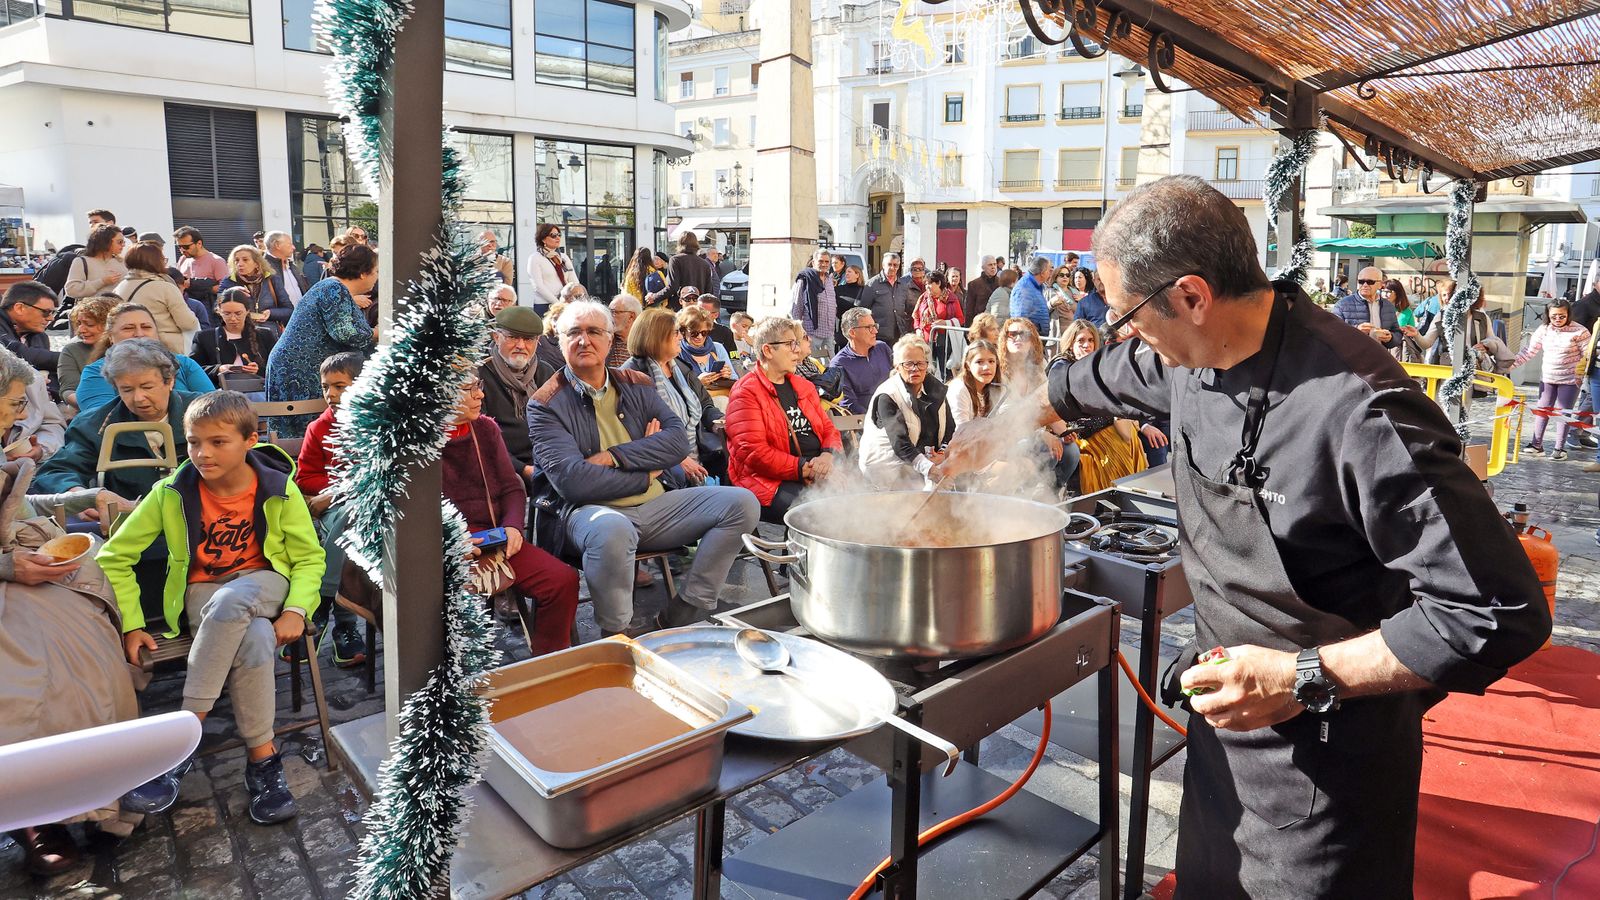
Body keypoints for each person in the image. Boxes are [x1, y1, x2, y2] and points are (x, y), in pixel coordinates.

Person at [939, 174, 1549, 897]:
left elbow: (1496, 610)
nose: (1126, 333)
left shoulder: (1361, 411)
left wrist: (1300, 677)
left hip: (1331, 763)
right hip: (1224, 738)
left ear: (1193, 296)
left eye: (1128, 314)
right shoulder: (1186, 358)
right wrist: (994, 429)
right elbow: (1082, 382)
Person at [101, 391, 323, 826]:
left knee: (234, 599)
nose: (203, 453)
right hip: (204, 594)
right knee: (254, 635)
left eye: (218, 442)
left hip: (265, 583)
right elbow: (114, 556)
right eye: (193, 442)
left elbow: (309, 558)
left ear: (250, 440)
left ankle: (181, 741)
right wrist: (132, 623)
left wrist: (297, 609)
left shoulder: (278, 489)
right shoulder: (171, 492)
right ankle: (263, 761)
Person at [527, 301, 760, 636]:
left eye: (594, 332)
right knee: (613, 530)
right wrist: (647, 470)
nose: (584, 340)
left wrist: (613, 457)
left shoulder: (636, 383)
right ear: (560, 341)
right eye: (573, 332)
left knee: (742, 503)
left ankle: (687, 606)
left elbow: (677, 443)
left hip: (656, 506)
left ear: (610, 339)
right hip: (589, 513)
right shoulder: (546, 403)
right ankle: (615, 634)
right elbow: (573, 483)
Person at [0, 352, 141, 875]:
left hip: (28, 564)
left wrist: (85, 495)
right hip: (11, 579)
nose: (21, 415)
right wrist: (8, 566)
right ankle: (33, 813)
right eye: (15, 403)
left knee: (92, 643)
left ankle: (100, 791)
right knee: (31, 667)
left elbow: (18, 505)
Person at [446, 375, 581, 655]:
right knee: (446, 606)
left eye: (478, 385)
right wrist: (449, 541)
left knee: (562, 580)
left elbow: (512, 487)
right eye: (468, 389)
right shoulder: (412, 444)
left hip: (494, 536)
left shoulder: (485, 429)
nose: (480, 395)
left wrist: (513, 527)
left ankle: (549, 663)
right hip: (445, 547)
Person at [36, 339, 201, 500]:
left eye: (147, 387)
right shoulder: (94, 425)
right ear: (116, 387)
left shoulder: (204, 412)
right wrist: (82, 496)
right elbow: (56, 472)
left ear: (170, 381)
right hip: (126, 515)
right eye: (127, 389)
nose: (138, 398)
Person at [292, 352, 368, 666]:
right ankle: (346, 627)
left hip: (369, 508)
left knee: (352, 519)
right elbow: (305, 477)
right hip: (334, 512)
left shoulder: (377, 424)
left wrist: (339, 488)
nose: (330, 394)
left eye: (340, 386)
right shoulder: (319, 428)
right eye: (326, 387)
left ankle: (322, 602)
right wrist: (335, 491)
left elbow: (380, 473)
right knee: (347, 523)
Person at [725, 316, 843, 519]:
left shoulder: (803, 386)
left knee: (859, 503)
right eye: (790, 344)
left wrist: (827, 456)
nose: (797, 350)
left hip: (815, 470)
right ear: (768, 350)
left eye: (797, 343)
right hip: (767, 481)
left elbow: (828, 429)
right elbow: (754, 452)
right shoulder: (746, 392)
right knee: (821, 514)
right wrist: (805, 469)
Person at [265, 244, 378, 437]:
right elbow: (344, 333)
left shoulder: (332, 287)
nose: (377, 277)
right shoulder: (334, 288)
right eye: (375, 271)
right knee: (303, 436)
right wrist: (375, 333)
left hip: (297, 366)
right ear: (363, 273)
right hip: (299, 370)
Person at [623, 308, 726, 486]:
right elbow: (637, 431)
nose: (681, 337)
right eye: (676, 332)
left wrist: (718, 422)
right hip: (664, 470)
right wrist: (678, 459)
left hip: (699, 456)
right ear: (656, 336)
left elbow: (705, 405)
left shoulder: (681, 368)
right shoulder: (631, 377)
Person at [1054, 320, 1150, 493]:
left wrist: (1142, 425)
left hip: (1111, 426)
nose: (1087, 345)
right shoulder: (1062, 369)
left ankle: (1131, 498)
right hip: (1085, 435)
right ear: (1070, 344)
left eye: (1091, 340)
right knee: (1116, 451)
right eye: (1081, 341)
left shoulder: (1098, 365)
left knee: (1132, 441)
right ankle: (1114, 499)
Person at [74, 303, 216, 411]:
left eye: (146, 327)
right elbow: (101, 418)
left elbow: (212, 407)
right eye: (128, 328)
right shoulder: (97, 372)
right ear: (110, 336)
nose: (139, 334)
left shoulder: (184, 364)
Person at [858, 335, 955, 490]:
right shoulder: (887, 395)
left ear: (927, 365)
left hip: (920, 465)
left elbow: (950, 428)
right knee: (916, 499)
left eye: (920, 363)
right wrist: (930, 470)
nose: (915, 369)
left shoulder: (937, 390)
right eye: (908, 364)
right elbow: (900, 443)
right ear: (897, 367)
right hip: (887, 469)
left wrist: (942, 453)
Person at [1512, 298, 1590, 460]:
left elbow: (1586, 356)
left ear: (1568, 314)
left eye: (1562, 316)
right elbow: (1529, 351)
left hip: (1570, 380)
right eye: (1554, 316)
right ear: (1548, 315)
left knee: (1564, 412)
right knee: (1542, 410)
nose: (1558, 319)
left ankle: (1559, 449)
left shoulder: (1580, 331)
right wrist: (1509, 365)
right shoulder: (1544, 329)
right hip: (1548, 378)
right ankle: (1536, 445)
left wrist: (1581, 376)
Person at [116, 242, 200, 354]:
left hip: (129, 347)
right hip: (166, 349)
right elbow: (188, 323)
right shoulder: (165, 287)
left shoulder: (120, 287)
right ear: (156, 262)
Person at [192, 288, 278, 393]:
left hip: (259, 392)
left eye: (238, 313)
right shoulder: (204, 337)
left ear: (247, 311)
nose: (233, 318)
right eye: (227, 313)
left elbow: (278, 368)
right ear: (219, 311)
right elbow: (193, 370)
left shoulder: (264, 335)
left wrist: (258, 370)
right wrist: (218, 369)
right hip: (221, 394)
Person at [830, 307, 893, 414]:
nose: (875, 331)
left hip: (894, 410)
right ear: (852, 333)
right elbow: (849, 404)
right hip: (865, 418)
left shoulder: (882, 348)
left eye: (875, 326)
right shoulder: (838, 364)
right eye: (869, 327)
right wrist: (873, 419)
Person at [220, 245, 292, 338]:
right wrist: (230, 293)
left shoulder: (272, 279)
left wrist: (271, 313)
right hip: (240, 335)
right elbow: (217, 308)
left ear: (257, 263)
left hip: (270, 335)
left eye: (245, 260)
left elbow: (289, 310)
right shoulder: (229, 281)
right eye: (236, 260)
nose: (240, 264)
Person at [59, 295, 114, 408]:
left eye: (89, 324)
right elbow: (68, 390)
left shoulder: (125, 349)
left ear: (109, 325)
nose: (81, 330)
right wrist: (92, 404)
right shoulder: (72, 350)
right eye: (79, 323)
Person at [0, 281, 61, 376]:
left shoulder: (40, 336)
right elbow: (13, 353)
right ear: (19, 308)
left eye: (53, 313)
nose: (51, 318)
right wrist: (71, 358)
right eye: (46, 312)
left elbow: (46, 368)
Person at [1333, 266, 1400, 349]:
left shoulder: (1388, 306)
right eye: (1361, 282)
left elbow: (1397, 332)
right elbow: (1332, 334)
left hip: (1380, 354)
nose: (1365, 285)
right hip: (1352, 355)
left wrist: (1391, 338)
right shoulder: (1342, 305)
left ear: (1380, 284)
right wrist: (1356, 331)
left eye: (1370, 282)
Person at [912, 270, 965, 375]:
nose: (927, 287)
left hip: (944, 341)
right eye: (925, 284)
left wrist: (945, 323)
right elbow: (916, 317)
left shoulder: (951, 298)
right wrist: (917, 329)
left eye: (929, 284)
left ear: (939, 283)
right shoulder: (924, 298)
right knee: (927, 370)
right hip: (926, 340)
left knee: (945, 372)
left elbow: (961, 319)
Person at [63, 223, 128, 301]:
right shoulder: (81, 262)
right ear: (105, 242)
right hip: (91, 308)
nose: (123, 245)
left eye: (124, 242)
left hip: (120, 307)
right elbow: (71, 290)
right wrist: (102, 282)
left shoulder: (122, 262)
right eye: (120, 242)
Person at [792, 249, 838, 356]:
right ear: (813, 262)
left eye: (827, 262)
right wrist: (799, 333)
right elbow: (797, 308)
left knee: (831, 364)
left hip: (829, 333)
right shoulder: (804, 280)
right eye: (821, 261)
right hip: (811, 334)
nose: (824, 264)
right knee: (811, 363)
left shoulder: (829, 280)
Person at [676, 305, 735, 387]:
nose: (699, 337)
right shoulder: (677, 351)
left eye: (704, 333)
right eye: (694, 333)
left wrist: (728, 375)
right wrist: (697, 383)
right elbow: (674, 388)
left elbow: (735, 380)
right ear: (683, 331)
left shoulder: (718, 348)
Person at [950, 339, 1004, 426]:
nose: (986, 367)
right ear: (968, 365)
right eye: (979, 362)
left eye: (991, 361)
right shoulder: (959, 389)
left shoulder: (996, 386)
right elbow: (962, 430)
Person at [865, 252, 913, 345]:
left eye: (895, 265)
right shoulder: (872, 284)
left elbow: (907, 308)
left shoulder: (903, 285)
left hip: (899, 334)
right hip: (879, 335)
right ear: (883, 265)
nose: (892, 267)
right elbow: (863, 309)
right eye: (889, 264)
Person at [174, 226, 229, 307]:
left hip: (207, 309)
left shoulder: (217, 261)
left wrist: (200, 286)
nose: (182, 250)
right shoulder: (183, 259)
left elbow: (226, 288)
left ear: (199, 244)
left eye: (186, 247)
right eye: (179, 247)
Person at [526, 224, 575, 315]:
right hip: (545, 305)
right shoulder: (535, 258)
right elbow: (538, 286)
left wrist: (574, 298)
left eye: (559, 235)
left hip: (566, 303)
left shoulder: (563, 257)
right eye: (553, 235)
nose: (558, 238)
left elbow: (574, 281)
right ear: (543, 239)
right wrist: (558, 303)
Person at [1010, 256, 1054, 334]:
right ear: (1042, 273)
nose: (1050, 274)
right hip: (1028, 338)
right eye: (1049, 271)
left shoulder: (1035, 286)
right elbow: (1020, 319)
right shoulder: (1024, 288)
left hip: (1035, 337)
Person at [667, 231, 714, 299]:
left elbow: (673, 287)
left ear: (679, 243)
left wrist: (655, 297)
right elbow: (709, 291)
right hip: (699, 303)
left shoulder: (675, 260)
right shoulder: (705, 264)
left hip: (681, 302)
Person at [608, 294, 642, 367]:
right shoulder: (607, 341)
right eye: (608, 312)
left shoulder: (645, 345)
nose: (609, 316)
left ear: (631, 317)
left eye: (614, 312)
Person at [966, 256, 1000, 324]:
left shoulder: (1001, 283)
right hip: (980, 323)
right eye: (990, 265)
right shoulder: (974, 284)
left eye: (995, 264)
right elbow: (969, 309)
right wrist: (969, 328)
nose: (993, 267)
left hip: (997, 323)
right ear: (983, 267)